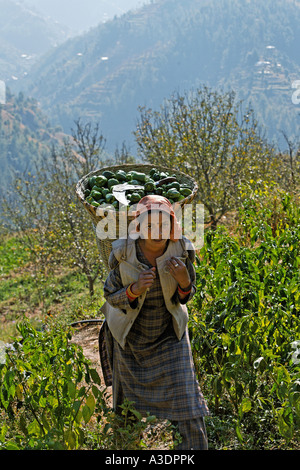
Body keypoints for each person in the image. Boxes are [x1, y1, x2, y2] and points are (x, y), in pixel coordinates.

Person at [99, 195, 209, 450]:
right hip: (130, 339)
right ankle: (126, 451)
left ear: (172, 227)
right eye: (150, 226)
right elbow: (110, 295)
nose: (157, 232)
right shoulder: (124, 254)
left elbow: (186, 296)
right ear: (139, 228)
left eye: (164, 225)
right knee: (126, 412)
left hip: (170, 337)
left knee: (188, 404)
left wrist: (183, 280)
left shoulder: (180, 250)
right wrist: (134, 290)